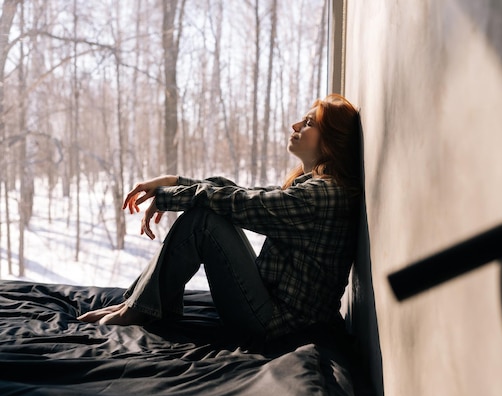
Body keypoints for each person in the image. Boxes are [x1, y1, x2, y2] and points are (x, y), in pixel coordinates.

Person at [78, 94, 362, 342]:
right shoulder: (314, 188)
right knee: (216, 187)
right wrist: (174, 182)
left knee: (204, 221)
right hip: (275, 307)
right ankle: (139, 303)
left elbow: (244, 203)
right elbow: (237, 193)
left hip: (276, 324)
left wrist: (173, 194)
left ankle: (139, 309)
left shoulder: (322, 196)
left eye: (309, 123)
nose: (296, 126)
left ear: (331, 142)